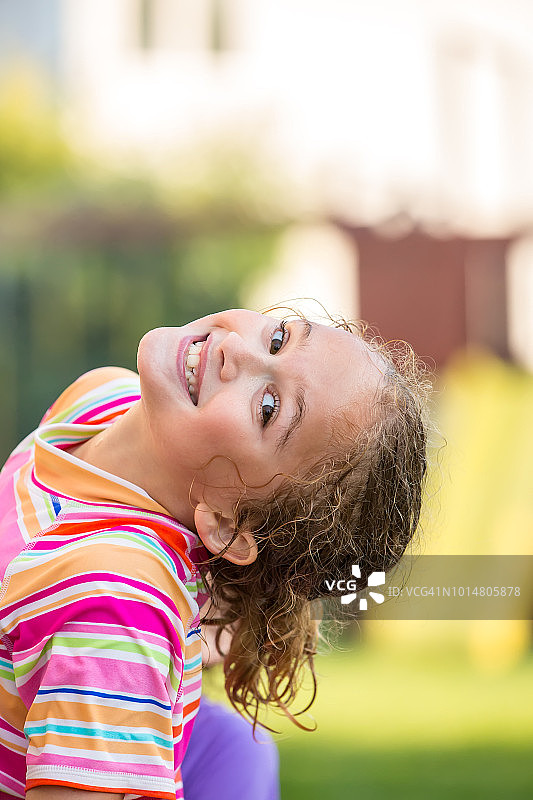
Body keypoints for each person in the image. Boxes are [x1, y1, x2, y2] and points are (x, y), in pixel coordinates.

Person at [0, 307, 430, 799]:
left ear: (228, 523)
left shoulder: (115, 601)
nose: (235, 348)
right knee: (233, 745)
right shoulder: (101, 401)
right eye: (279, 338)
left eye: (269, 408)